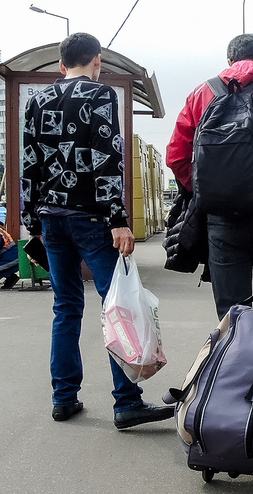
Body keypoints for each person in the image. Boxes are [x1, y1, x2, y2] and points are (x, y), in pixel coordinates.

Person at [21, 32, 173, 429]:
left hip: (51, 219)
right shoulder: (100, 96)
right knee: (115, 305)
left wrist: (33, 223)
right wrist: (119, 219)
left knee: (66, 308)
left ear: (60, 64)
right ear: (98, 61)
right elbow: (107, 159)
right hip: (90, 218)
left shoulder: (36, 101)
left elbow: (29, 165)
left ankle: (64, 398)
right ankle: (126, 402)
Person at [166, 34, 253, 319]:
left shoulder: (201, 93)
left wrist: (206, 190)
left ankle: (236, 363)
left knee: (231, 315)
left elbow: (176, 156)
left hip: (221, 221)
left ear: (230, 62)